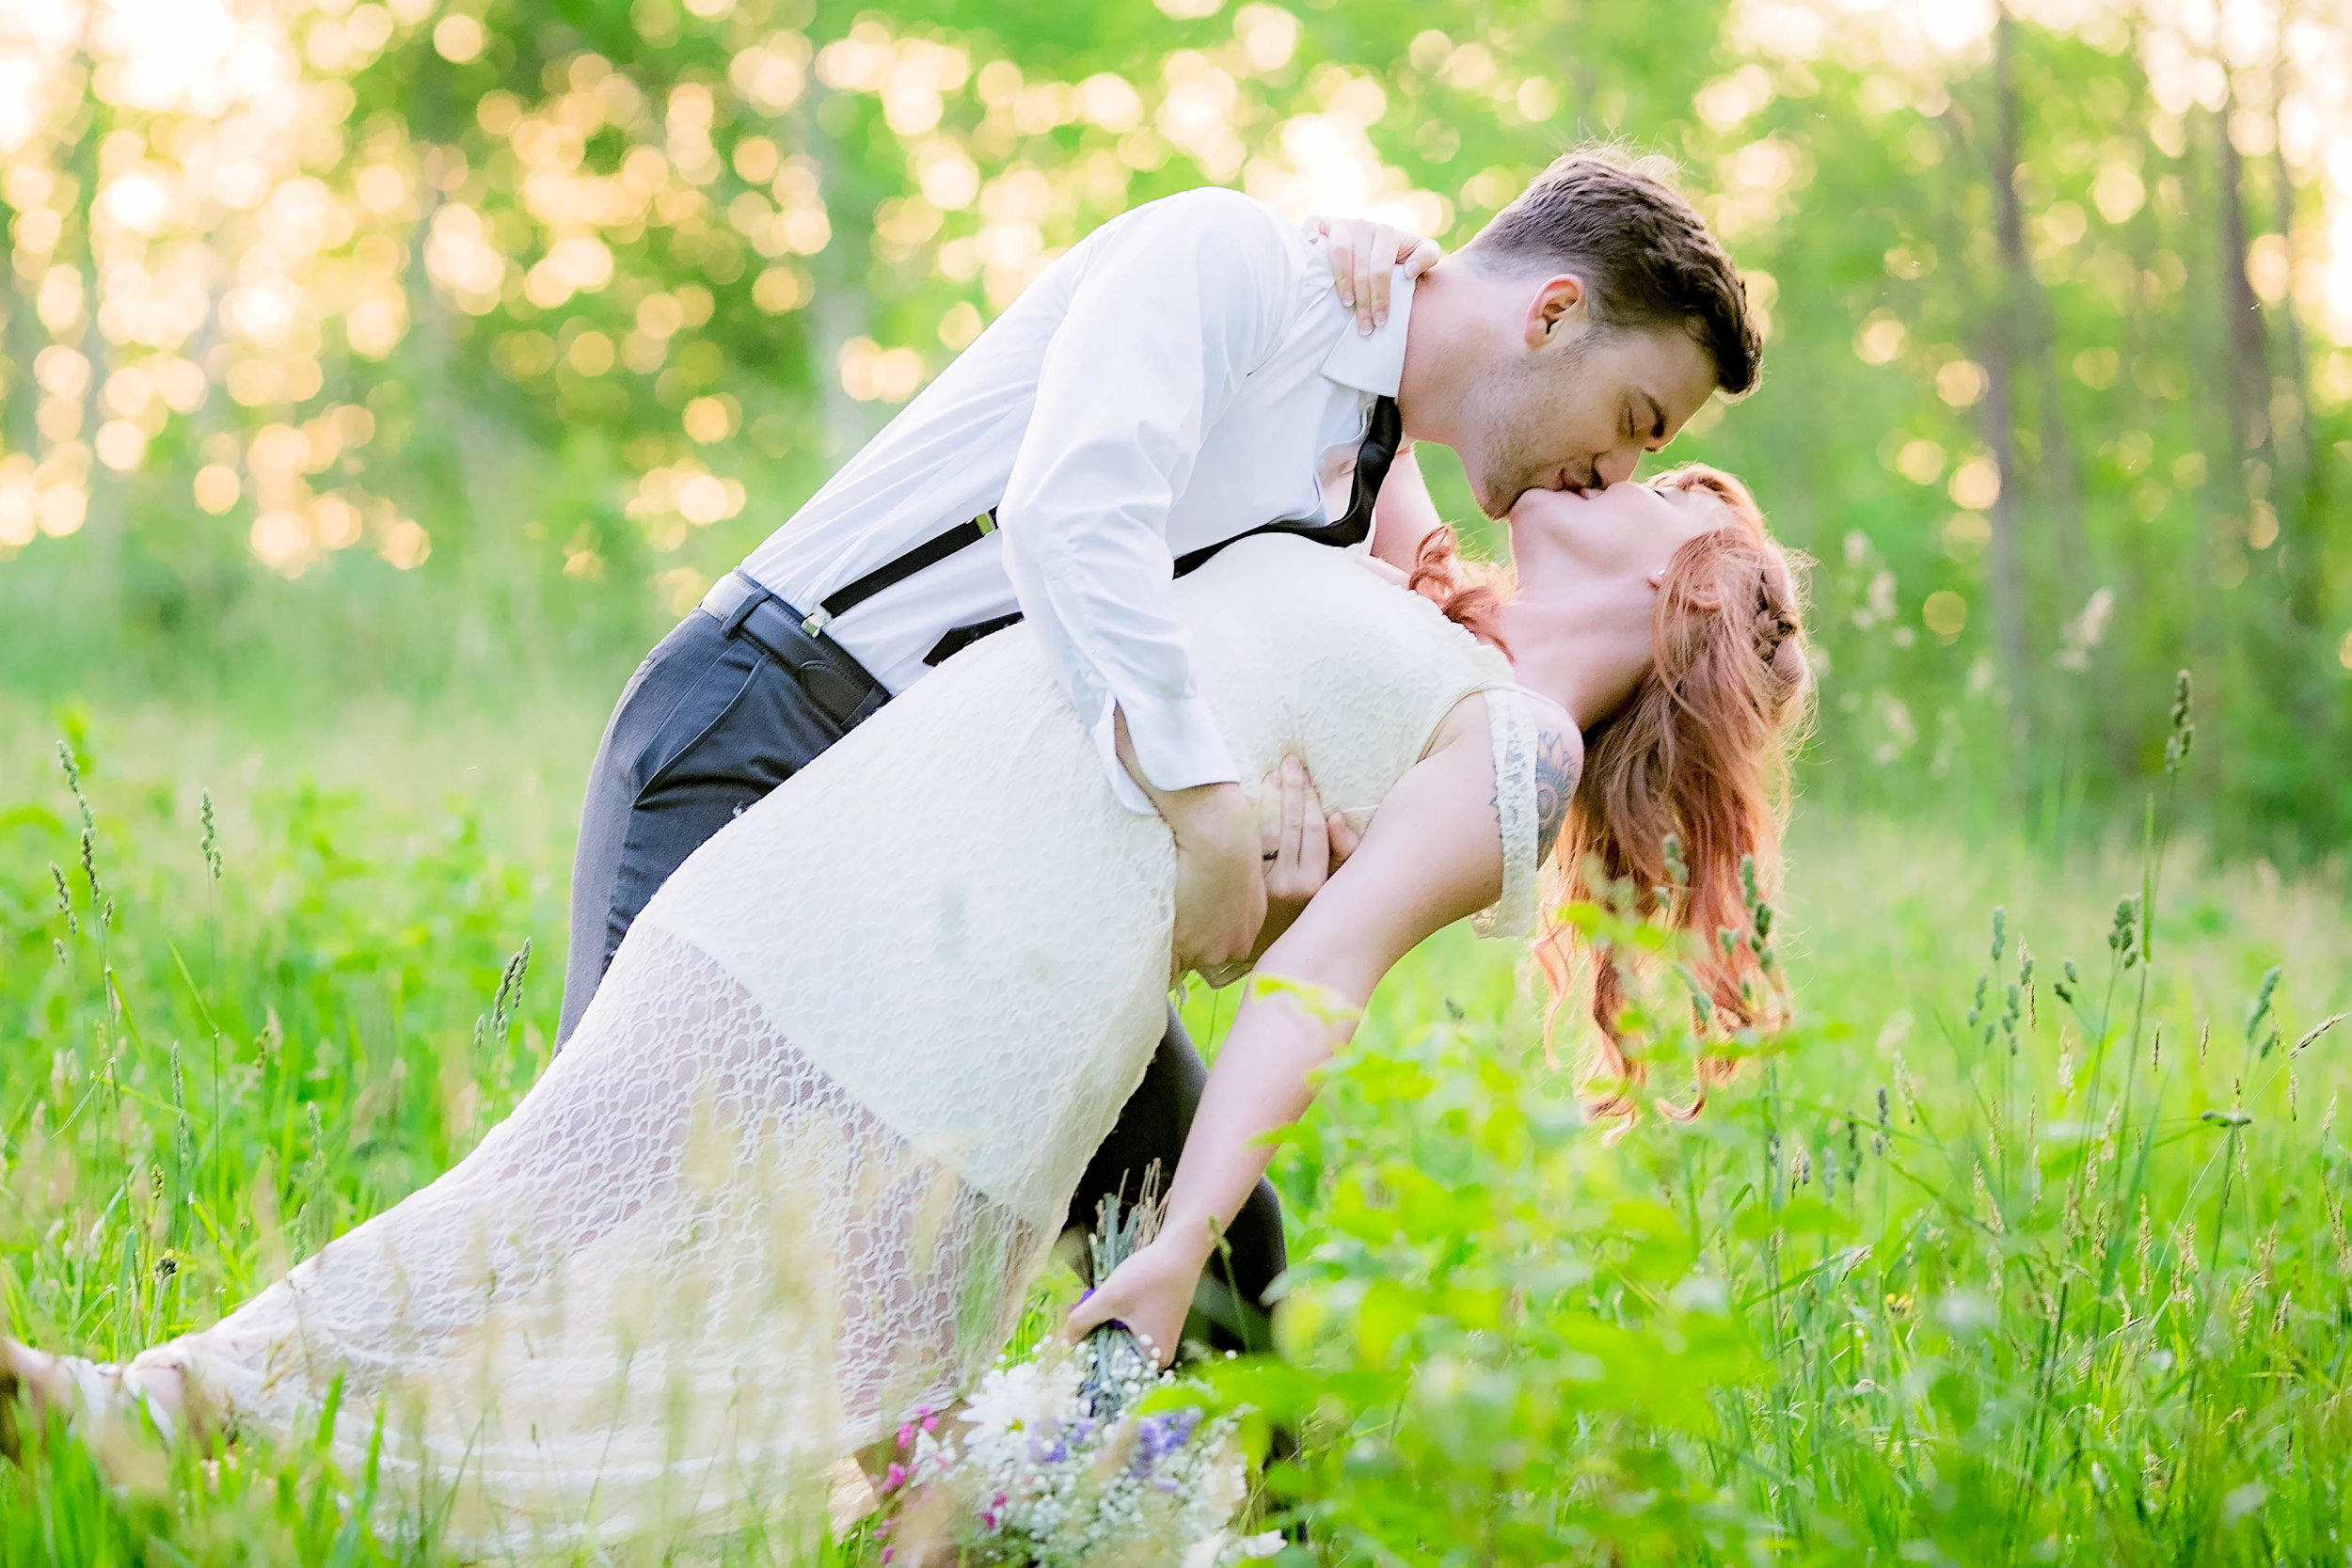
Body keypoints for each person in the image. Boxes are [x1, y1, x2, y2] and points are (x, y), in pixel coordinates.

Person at [2, 463, 1810, 1554]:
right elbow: (1431, 336)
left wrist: (1181, 1244)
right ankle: (139, 1413)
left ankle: (168, 1448)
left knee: (776, 1444)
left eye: (1657, 468)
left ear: (1678, 580)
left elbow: (1310, 985)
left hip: (995, 1020)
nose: (1617, 452)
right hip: (829, 871)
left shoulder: (1512, 747)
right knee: (507, 1224)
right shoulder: (1408, 570)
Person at [555, 150, 1760, 1348]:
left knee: (1234, 1291)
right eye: (1634, 420)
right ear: (1552, 314)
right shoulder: (1237, 261)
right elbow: (1074, 514)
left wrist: (1266, 886)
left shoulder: (1357, 495)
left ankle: (1122, 1519)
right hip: (782, 718)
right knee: (605, 1214)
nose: (1618, 467)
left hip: (976, 852)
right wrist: (1210, 810)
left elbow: (1293, 887)